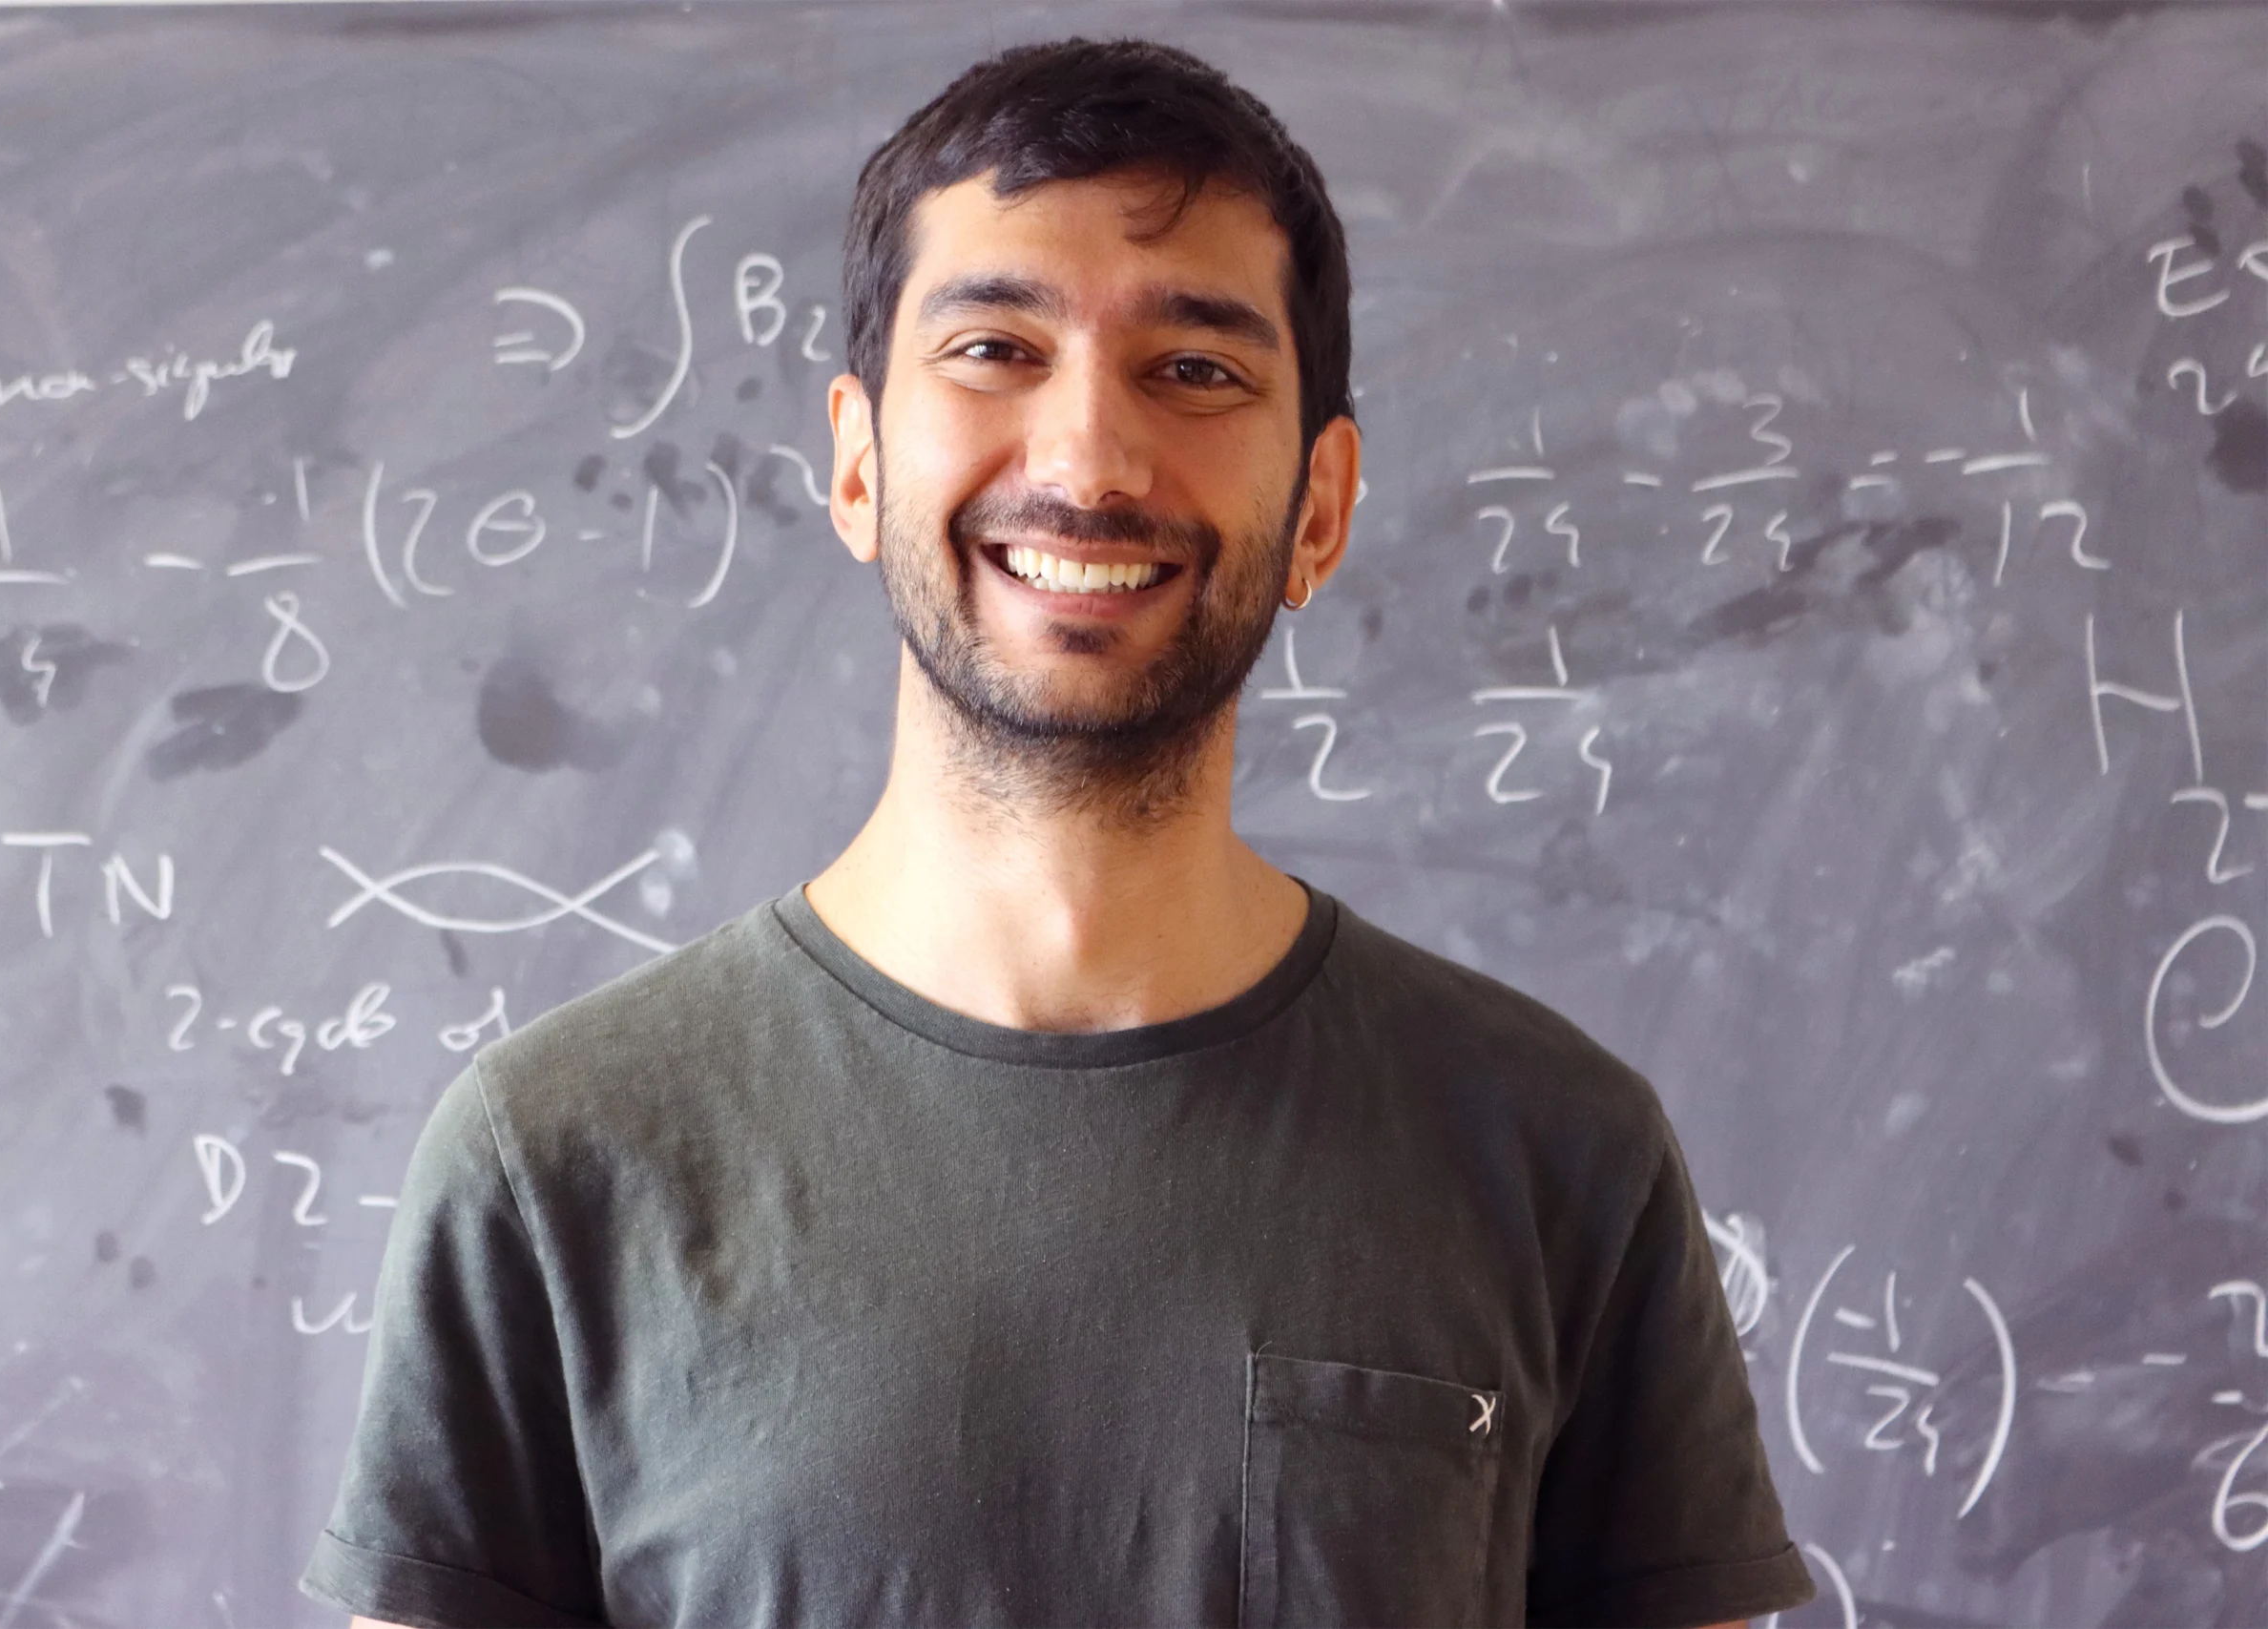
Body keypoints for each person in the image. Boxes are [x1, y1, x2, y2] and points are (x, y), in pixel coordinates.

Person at [301, 35, 1817, 1629]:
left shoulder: (1556, 1155)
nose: (1090, 455)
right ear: (857, 459)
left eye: (1198, 369)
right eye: (994, 348)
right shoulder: (559, 1164)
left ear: (1321, 504)